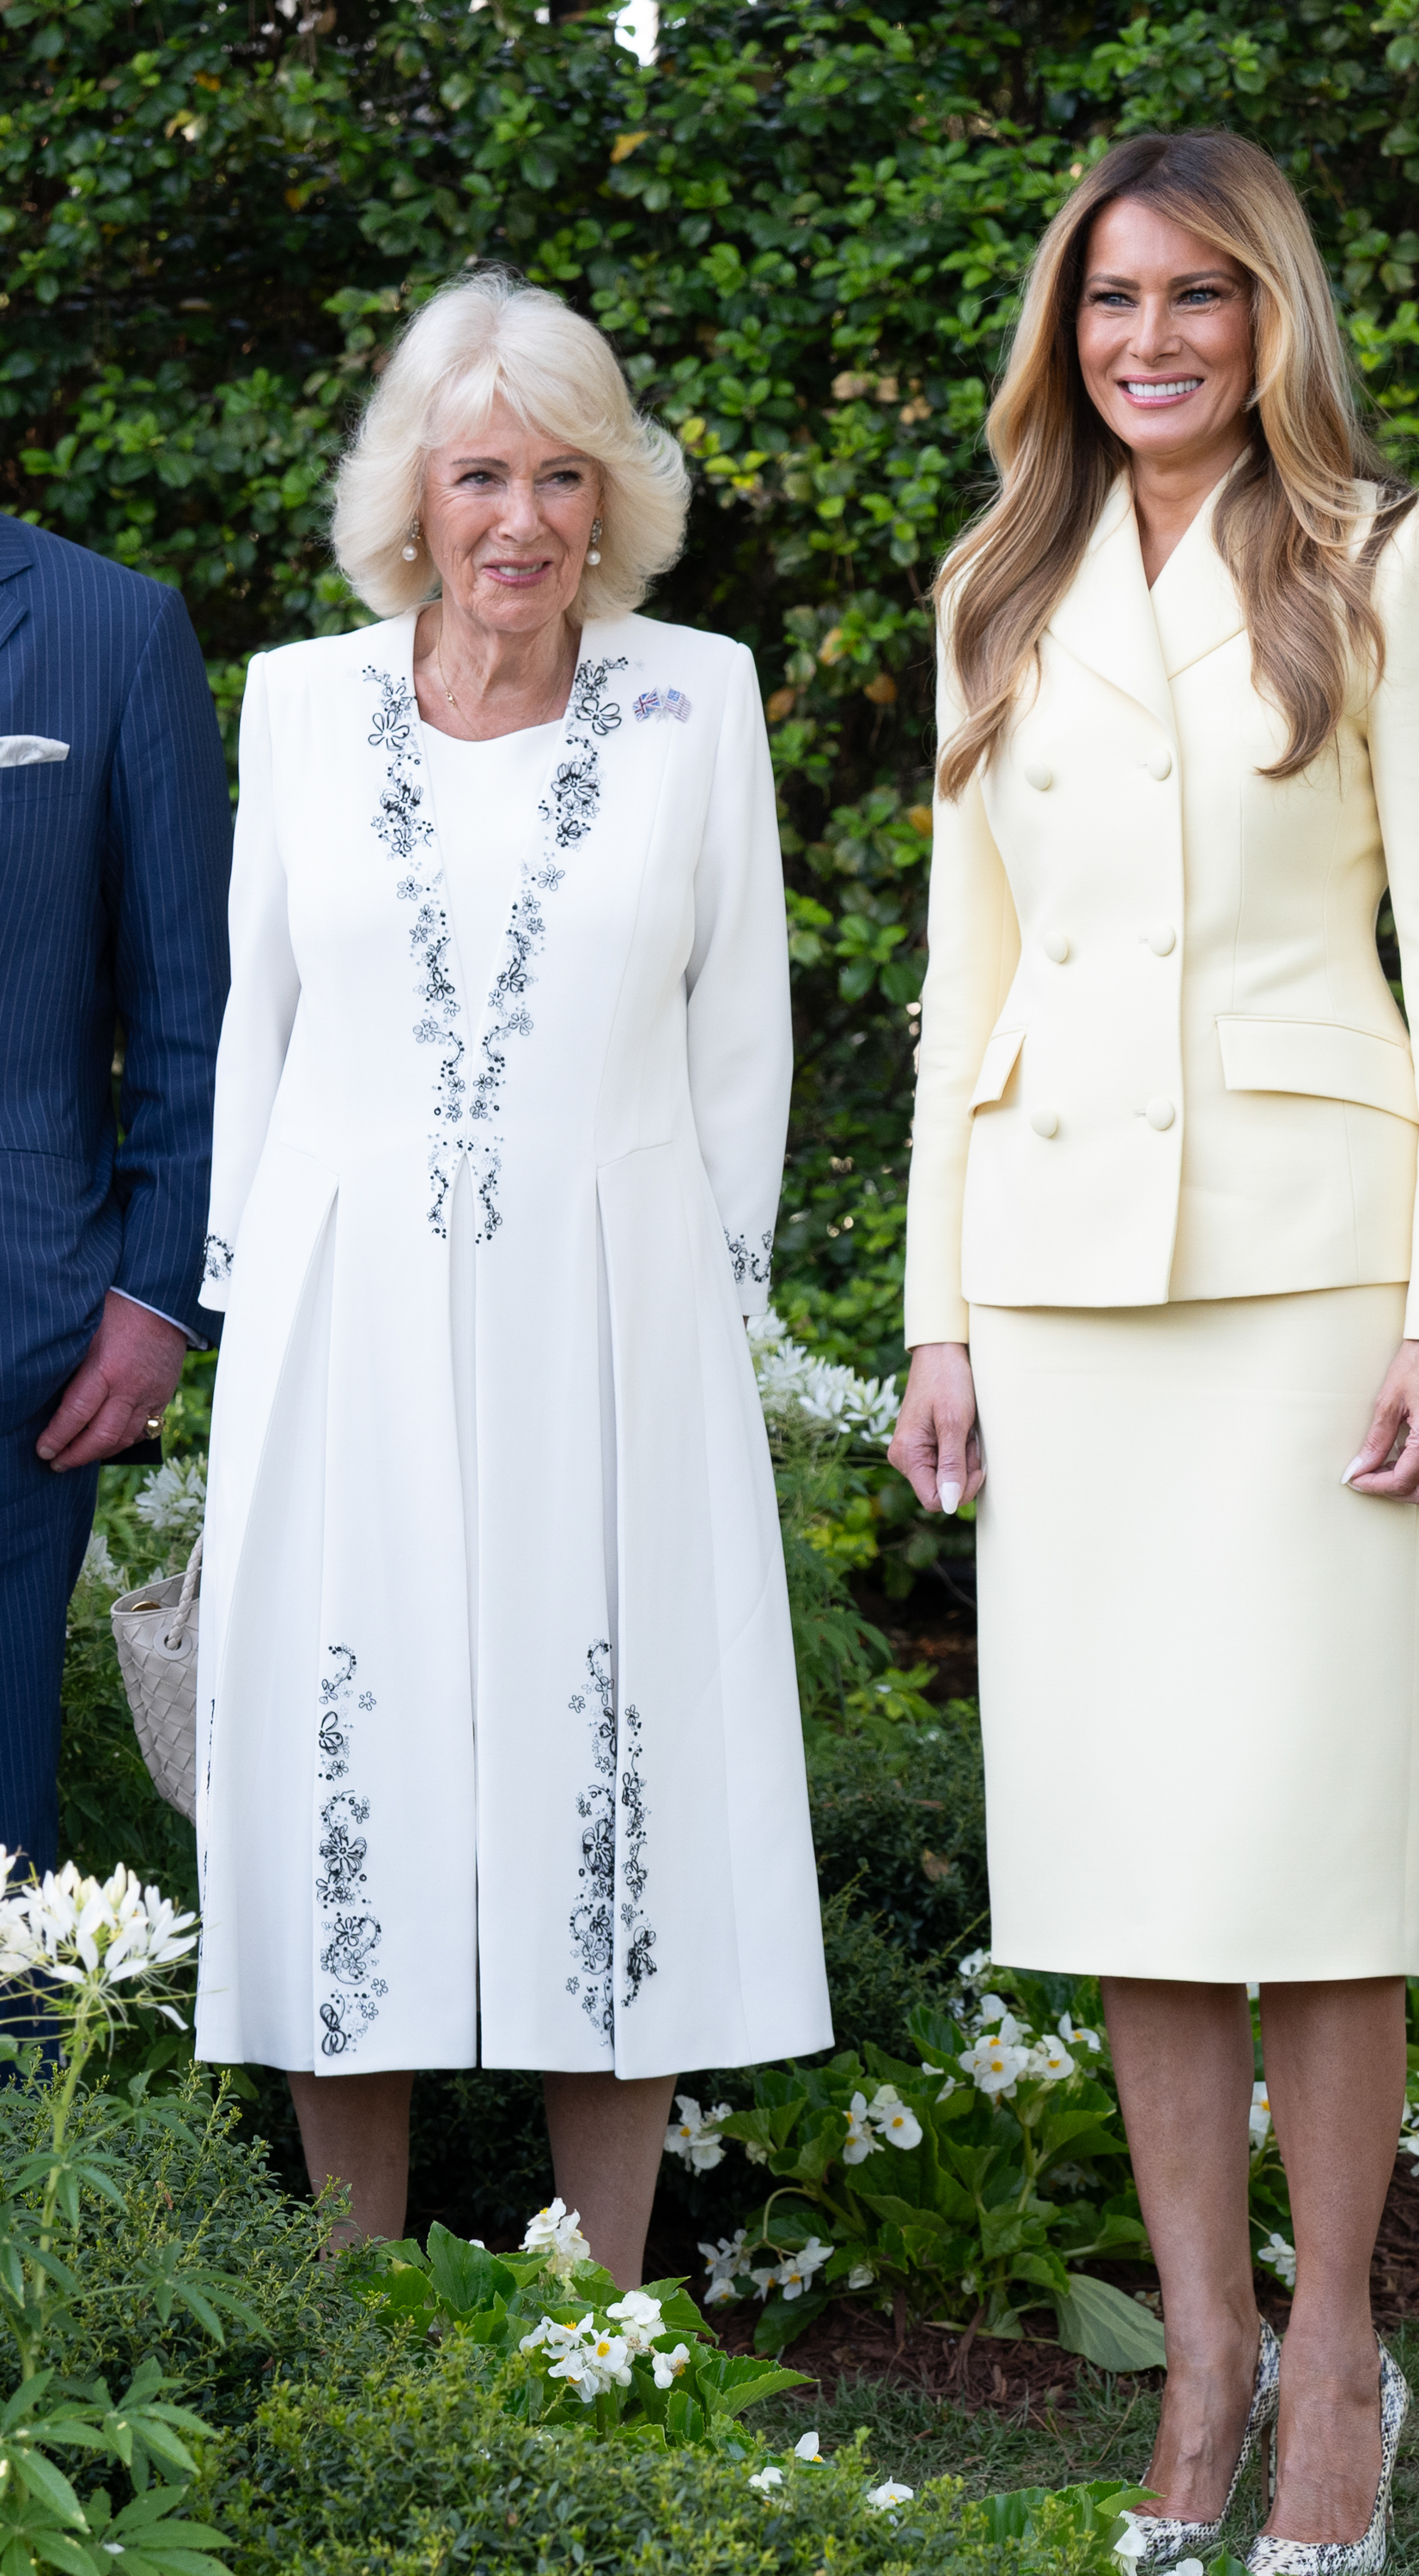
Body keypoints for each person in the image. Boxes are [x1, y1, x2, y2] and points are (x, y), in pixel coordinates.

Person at [888, 130, 1419, 2573]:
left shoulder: (1390, 559)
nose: (1147, 339)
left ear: (1272, 319)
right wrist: (935, 1316)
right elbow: (973, 979)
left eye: (1197, 297)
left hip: (1304, 1276)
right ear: (1066, 332)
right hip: (1055, 1289)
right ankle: (1203, 2372)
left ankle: (1341, 2359)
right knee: (1132, 1863)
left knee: (1313, 1857)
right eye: (1109, 299)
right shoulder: (991, 581)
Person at [193, 271, 831, 2285]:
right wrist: (245, 1317)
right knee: (344, 1758)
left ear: (611, 498)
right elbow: (255, 1022)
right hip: (344, 1320)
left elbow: (747, 1035)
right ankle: (359, 2310)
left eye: (565, 474)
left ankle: (596, 2315)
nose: (522, 520)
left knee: (602, 1755)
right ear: (415, 492)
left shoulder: (692, 696)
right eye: (483, 473)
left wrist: (702, 1316)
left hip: (612, 1323)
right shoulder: (297, 699)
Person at [0, 515, 230, 1879]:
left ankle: (26, 2100)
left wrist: (158, 1300)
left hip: (13, 1342)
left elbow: (191, 1010)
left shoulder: (115, 627)